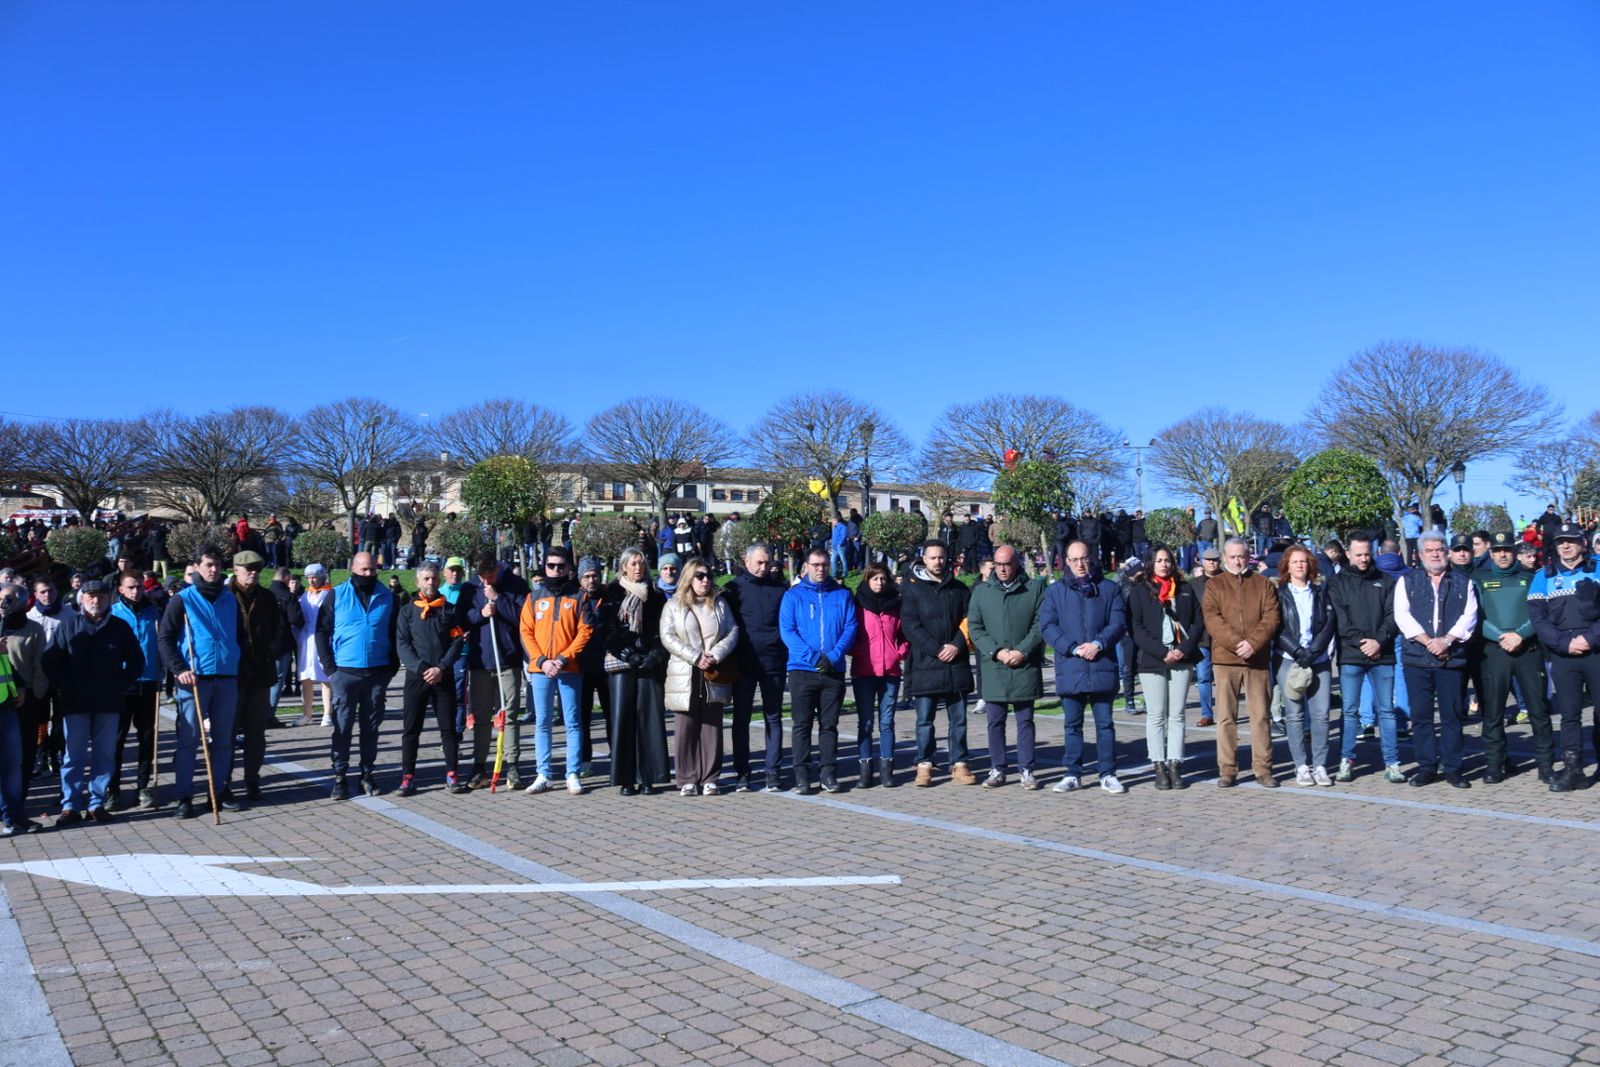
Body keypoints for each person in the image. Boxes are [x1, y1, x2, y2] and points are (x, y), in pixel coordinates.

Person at [43, 578, 144, 825]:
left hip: (108, 702)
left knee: (104, 755)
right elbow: (50, 661)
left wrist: (119, 684)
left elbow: (136, 661)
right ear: (82, 600)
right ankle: (70, 806)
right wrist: (65, 686)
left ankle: (96, 803)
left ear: (109, 598)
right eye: (90, 596)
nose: (96, 600)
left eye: (101, 596)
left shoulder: (119, 627)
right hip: (75, 703)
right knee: (73, 756)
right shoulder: (69, 626)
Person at [157, 545, 243, 818]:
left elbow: (238, 635)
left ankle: (217, 791)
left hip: (227, 676)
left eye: (217, 564)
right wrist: (178, 667)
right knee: (189, 740)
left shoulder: (230, 598)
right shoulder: (183, 599)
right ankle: (184, 795)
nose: (214, 569)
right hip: (194, 678)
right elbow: (165, 638)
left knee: (223, 740)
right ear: (196, 567)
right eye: (208, 564)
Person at [1039, 540, 1127, 794]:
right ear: (1066, 561)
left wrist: (1099, 643)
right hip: (1071, 666)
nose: (1080, 564)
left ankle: (1108, 773)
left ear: (1092, 558)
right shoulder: (1055, 592)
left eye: (1084, 558)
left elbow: (1118, 622)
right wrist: (1073, 648)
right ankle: (1072, 773)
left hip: (1102, 665)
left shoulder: (1109, 589)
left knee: (1105, 724)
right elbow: (1048, 626)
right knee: (1072, 725)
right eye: (1074, 559)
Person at [1394, 531, 1479, 788]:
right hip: (1418, 659)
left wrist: (1446, 641)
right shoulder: (1406, 582)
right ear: (1420, 555)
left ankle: (1453, 768)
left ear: (1447, 552)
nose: (1435, 554)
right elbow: (1402, 616)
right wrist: (1428, 641)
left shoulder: (1464, 582)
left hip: (1450, 659)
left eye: (1439, 549)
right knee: (1421, 717)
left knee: (1452, 716)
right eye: (1429, 550)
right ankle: (1427, 767)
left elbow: (1469, 616)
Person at [315, 551, 399, 799]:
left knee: (370, 728)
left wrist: (391, 667)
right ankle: (340, 777)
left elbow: (396, 633)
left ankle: (367, 774)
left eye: (373, 570)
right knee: (342, 727)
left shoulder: (387, 596)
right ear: (353, 569)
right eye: (364, 570)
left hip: (376, 673)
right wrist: (330, 668)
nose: (368, 574)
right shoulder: (337, 595)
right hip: (345, 673)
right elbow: (321, 632)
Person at [1473, 531, 1553, 784]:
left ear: (1515, 552)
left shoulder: (1531, 579)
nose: (1502, 554)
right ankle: (1495, 764)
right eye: (1497, 550)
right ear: (1491, 553)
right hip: (1495, 652)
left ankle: (1545, 765)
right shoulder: (1479, 581)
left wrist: (1519, 635)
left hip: (1528, 650)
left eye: (1507, 549)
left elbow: (1541, 614)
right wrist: (1501, 637)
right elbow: (1477, 618)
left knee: (1539, 711)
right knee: (1493, 712)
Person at [1201, 537, 1282, 788]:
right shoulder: (1215, 585)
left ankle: (1263, 768)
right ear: (1225, 558)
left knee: (1260, 716)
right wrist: (1237, 644)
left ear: (1249, 557)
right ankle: (1227, 769)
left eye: (1242, 556)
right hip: (1226, 660)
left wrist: (1253, 644)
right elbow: (1212, 618)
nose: (1237, 561)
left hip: (1257, 659)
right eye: (1233, 556)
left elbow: (1271, 617)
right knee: (1226, 717)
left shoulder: (1263, 584)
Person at [1527, 522, 1600, 792]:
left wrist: (1589, 639)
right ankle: (1574, 770)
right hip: (1563, 653)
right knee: (1569, 715)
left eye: (1571, 540)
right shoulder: (1542, 576)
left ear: (1582, 542)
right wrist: (1564, 644)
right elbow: (1538, 617)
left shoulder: (1598, 567)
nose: (1566, 546)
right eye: (1560, 542)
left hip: (1596, 649)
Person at [966, 544, 1046, 790]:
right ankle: (998, 768)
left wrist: (1022, 650)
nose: (1002, 569)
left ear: (1017, 563)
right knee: (995, 721)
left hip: (1024, 665)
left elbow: (1040, 624)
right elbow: (975, 627)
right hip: (995, 666)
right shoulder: (981, 592)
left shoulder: (1034, 589)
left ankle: (1027, 770)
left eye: (1007, 564)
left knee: (1025, 721)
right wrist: (997, 651)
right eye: (998, 564)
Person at [778, 547, 858, 793]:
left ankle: (828, 774)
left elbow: (850, 626)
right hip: (802, 671)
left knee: (829, 725)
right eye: (815, 565)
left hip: (832, 671)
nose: (821, 569)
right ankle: (802, 776)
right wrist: (812, 656)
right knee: (802, 725)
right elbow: (788, 631)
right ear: (806, 567)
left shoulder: (842, 594)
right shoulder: (793, 596)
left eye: (824, 565)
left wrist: (834, 656)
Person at [1328, 534, 1405, 783]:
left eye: (1367, 554)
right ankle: (1346, 760)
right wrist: (1363, 643)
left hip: (1382, 655)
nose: (1363, 558)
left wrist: (1378, 641)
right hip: (1351, 656)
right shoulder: (1337, 582)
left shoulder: (1385, 580)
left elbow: (1394, 615)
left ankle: (1392, 762)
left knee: (1387, 712)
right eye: (1358, 554)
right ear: (1348, 554)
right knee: (1350, 711)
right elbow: (1341, 621)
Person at [1127, 545, 1203, 790]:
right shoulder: (1140, 591)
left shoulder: (1185, 589)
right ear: (1151, 563)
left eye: (1168, 560)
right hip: (1153, 660)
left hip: (1182, 657)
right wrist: (1162, 652)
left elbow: (1198, 622)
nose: (1164, 564)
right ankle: (1158, 765)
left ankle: (1175, 764)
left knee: (1177, 714)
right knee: (1156, 714)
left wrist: (1183, 649)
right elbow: (1136, 629)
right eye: (1159, 560)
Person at [519, 547, 593, 796]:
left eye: (561, 566)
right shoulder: (533, 597)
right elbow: (526, 631)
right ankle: (544, 774)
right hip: (541, 669)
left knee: (572, 722)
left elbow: (585, 631)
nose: (556, 570)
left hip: (569, 668)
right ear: (545, 567)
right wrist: (542, 661)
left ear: (569, 569)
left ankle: (572, 773)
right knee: (542, 722)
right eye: (551, 566)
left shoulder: (580, 597)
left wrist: (562, 659)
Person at [661, 557, 738, 795]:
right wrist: (695, 656)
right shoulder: (674, 605)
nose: (705, 581)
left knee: (712, 725)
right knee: (685, 726)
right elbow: (667, 636)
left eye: (708, 576)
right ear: (689, 578)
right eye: (700, 576)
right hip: (685, 671)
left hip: (713, 671)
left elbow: (732, 631)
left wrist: (715, 654)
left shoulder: (720, 604)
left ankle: (710, 777)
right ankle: (687, 778)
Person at [901, 540, 975, 788]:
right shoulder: (913, 590)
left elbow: (970, 621)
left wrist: (956, 645)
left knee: (959, 720)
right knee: (924, 721)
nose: (937, 562)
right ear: (924, 559)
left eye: (941, 557)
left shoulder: (960, 589)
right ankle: (924, 764)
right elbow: (910, 626)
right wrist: (935, 648)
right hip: (926, 664)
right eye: (932, 557)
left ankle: (960, 763)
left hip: (957, 663)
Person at [599, 546, 669, 795]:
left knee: (648, 720)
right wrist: (628, 653)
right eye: (633, 563)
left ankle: (647, 776)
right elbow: (606, 629)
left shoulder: (656, 595)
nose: (638, 567)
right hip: (623, 664)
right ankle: (626, 778)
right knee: (623, 719)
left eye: (641, 563)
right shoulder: (613, 592)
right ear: (624, 567)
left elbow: (664, 629)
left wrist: (655, 654)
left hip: (649, 665)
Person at [395, 561, 468, 796]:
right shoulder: (407, 610)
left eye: (434, 578)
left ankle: (452, 773)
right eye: (426, 578)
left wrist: (441, 668)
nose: (430, 582)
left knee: (448, 729)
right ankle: (407, 777)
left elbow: (457, 641)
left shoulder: (449, 609)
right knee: (411, 729)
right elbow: (402, 644)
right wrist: (421, 668)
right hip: (417, 677)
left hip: (442, 676)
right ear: (417, 581)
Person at [722, 543, 789, 792]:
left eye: (767, 562)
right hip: (744, 663)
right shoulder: (733, 589)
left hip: (773, 662)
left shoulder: (779, 588)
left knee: (773, 717)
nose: (764, 567)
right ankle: (743, 772)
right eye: (759, 562)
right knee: (742, 718)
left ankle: (773, 772)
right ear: (745, 560)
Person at [464, 549, 530, 789]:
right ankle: (479, 766)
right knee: (481, 717)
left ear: (498, 569)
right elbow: (462, 619)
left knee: (510, 714)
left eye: (490, 577)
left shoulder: (516, 585)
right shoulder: (470, 588)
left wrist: (499, 600)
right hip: (481, 662)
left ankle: (512, 766)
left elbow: (524, 618)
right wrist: (480, 613)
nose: (485, 583)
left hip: (508, 659)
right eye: (482, 578)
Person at [1274, 545, 1336, 787]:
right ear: (1286, 567)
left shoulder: (1321, 592)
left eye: (1304, 561)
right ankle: (1300, 765)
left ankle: (1320, 765)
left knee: (1321, 715)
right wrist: (1297, 651)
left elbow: (1329, 622)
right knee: (1294, 715)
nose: (1300, 565)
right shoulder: (1279, 593)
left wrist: (1313, 651)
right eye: (1295, 562)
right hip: (1289, 660)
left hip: (1318, 659)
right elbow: (1277, 626)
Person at [229, 550, 281, 803]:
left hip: (260, 673)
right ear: (235, 569)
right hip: (232, 675)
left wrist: (266, 654)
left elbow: (275, 631)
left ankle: (252, 780)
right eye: (247, 569)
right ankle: (223, 782)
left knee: (256, 734)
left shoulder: (267, 597)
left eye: (256, 569)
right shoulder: (224, 597)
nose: (253, 573)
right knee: (226, 734)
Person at [110, 568, 164, 809]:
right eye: (130, 587)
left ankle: (143, 787)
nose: (136, 591)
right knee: (116, 740)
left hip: (149, 681)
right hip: (122, 684)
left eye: (139, 587)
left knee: (146, 737)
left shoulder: (154, 612)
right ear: (121, 589)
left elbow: (163, 642)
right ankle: (113, 789)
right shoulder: (113, 613)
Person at [850, 563, 907, 788]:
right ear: (867, 580)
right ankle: (865, 769)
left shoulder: (896, 605)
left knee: (886, 722)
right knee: (865, 722)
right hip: (864, 670)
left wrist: (900, 652)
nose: (879, 583)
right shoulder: (857, 605)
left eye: (883, 579)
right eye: (875, 579)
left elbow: (904, 635)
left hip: (890, 670)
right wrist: (858, 651)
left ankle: (887, 769)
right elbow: (849, 633)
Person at [0, 584, 46, 832]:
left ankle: (14, 815)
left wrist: (24, 689)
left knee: (13, 764)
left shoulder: (29, 629)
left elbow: (21, 664)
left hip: (10, 705)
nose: (4, 604)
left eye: (8, 599)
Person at [573, 556, 610, 777]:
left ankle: (617, 754)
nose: (591, 580)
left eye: (594, 575)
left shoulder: (609, 597)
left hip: (607, 667)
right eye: (586, 576)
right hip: (582, 667)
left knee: (612, 715)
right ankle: (585, 759)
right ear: (580, 580)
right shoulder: (576, 599)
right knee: (583, 717)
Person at [296, 564, 334, 728]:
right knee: (306, 678)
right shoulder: (305, 595)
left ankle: (327, 713)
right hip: (306, 640)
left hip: (324, 639)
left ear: (322, 576)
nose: (311, 580)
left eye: (314, 576)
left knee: (326, 677)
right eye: (308, 577)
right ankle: (307, 714)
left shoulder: (330, 594)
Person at [266, 567, 304, 719]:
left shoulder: (264, 594)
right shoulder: (289, 596)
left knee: (264, 681)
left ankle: (260, 712)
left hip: (264, 643)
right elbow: (296, 619)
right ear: (287, 578)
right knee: (277, 680)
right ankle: (269, 715)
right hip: (282, 642)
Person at [1190, 547, 1221, 727]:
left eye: (1215, 560)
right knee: (1203, 677)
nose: (1211, 563)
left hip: (1224, 638)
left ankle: (1226, 712)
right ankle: (1206, 713)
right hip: (1202, 638)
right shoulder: (1194, 584)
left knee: (1224, 678)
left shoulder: (1227, 579)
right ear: (1202, 561)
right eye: (1208, 560)